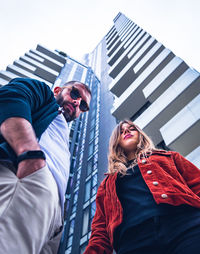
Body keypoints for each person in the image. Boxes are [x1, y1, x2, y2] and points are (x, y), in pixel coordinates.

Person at [0, 77, 91, 254]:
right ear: (57, 90)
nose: (77, 102)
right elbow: (12, 97)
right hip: (28, 181)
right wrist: (30, 154)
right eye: (74, 93)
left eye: (84, 105)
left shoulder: (65, 137)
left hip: (53, 223)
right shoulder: (45, 96)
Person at [84, 119, 200, 254]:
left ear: (140, 134)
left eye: (131, 128)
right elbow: (100, 231)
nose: (126, 131)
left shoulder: (169, 157)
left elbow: (197, 185)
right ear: (116, 142)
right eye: (121, 132)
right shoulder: (106, 185)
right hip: (133, 242)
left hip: (185, 226)